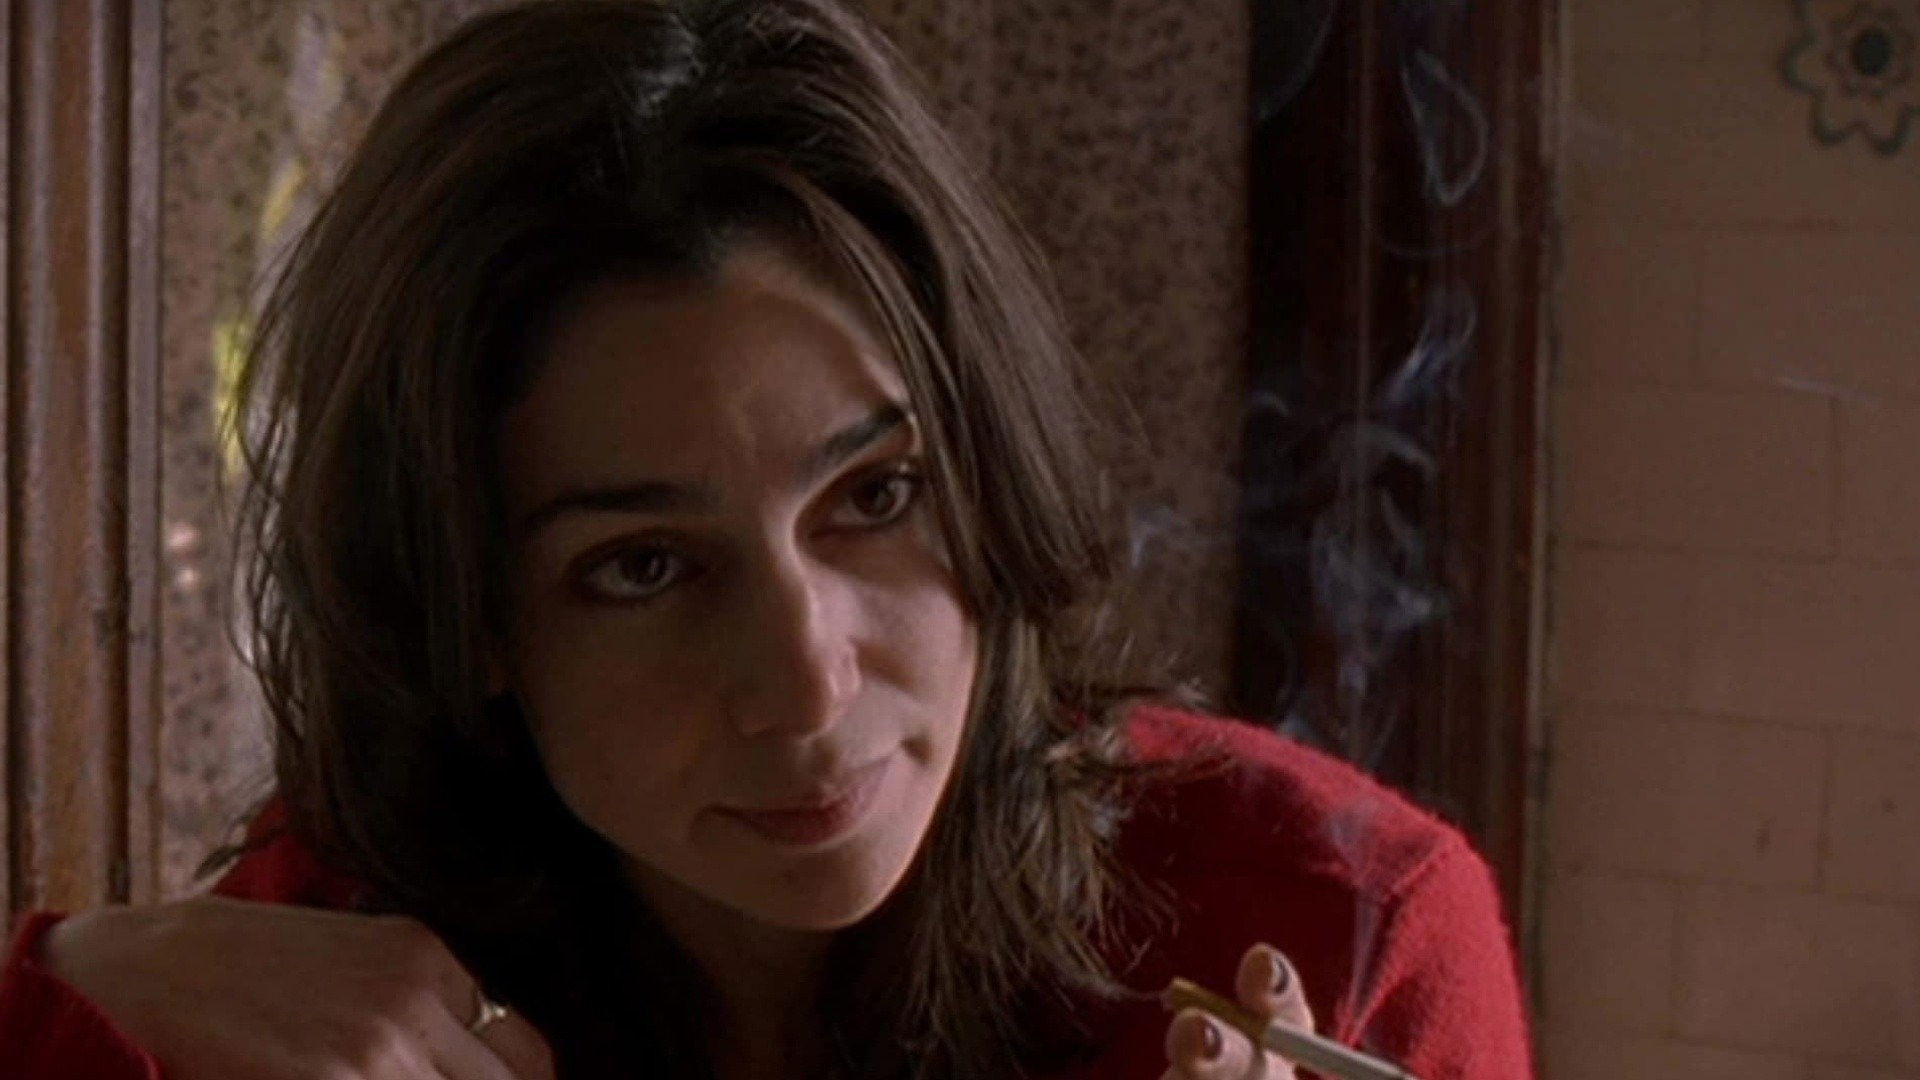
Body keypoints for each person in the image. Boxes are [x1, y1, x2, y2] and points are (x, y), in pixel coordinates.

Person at [0, 1, 1536, 1077]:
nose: (806, 684)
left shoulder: (1334, 928)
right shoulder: (341, 965)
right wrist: (67, 982)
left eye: (876, 496)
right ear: (470, 622)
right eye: (643, 567)